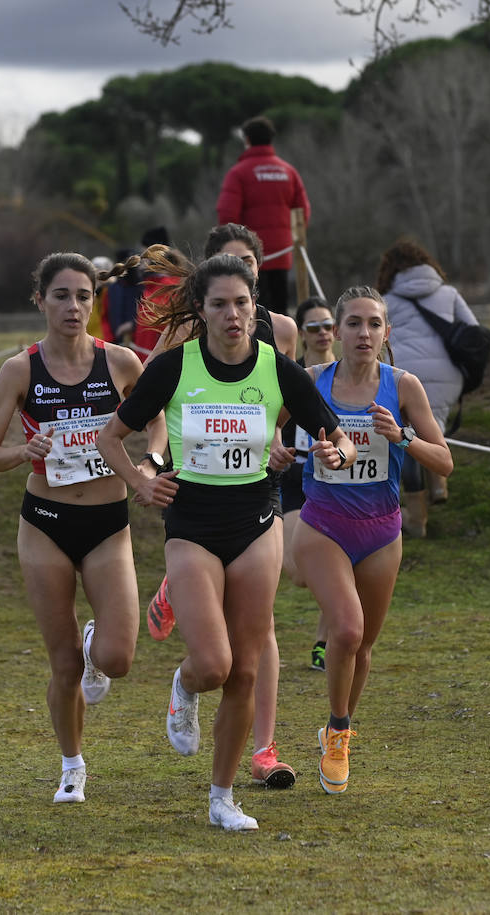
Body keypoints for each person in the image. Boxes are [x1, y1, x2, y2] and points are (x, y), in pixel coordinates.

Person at [95, 252, 353, 831]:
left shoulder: (277, 368)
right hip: (192, 526)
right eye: (219, 304)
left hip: (256, 523)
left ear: (254, 306)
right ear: (202, 309)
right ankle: (184, 685)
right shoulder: (173, 368)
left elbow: (341, 439)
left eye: (241, 303)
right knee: (213, 664)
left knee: (245, 670)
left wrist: (336, 453)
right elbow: (111, 438)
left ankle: (222, 799)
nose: (232, 315)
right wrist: (141, 481)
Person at [0, 252, 165, 804]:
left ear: (94, 301)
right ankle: (72, 766)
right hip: (46, 525)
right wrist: (23, 451)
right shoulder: (19, 370)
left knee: (116, 659)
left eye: (83, 296)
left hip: (107, 524)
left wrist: (150, 463)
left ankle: (93, 641)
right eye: (61, 295)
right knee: (63, 665)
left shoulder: (120, 362)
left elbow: (159, 420)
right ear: (41, 301)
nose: (73, 307)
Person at [143, 224, 302, 789]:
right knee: (217, 655)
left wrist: (278, 441)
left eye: (248, 268)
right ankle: (183, 586)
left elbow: (281, 403)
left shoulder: (281, 332)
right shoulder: (183, 337)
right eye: (227, 268)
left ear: (257, 279)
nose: (234, 302)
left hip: (258, 488)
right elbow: (155, 403)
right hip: (194, 494)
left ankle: (260, 750)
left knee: (258, 634)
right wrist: (154, 462)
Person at [292, 286, 452, 794]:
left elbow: (445, 461)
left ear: (386, 333)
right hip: (322, 525)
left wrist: (403, 437)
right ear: (336, 331)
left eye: (374, 324)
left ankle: (336, 730)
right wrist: (278, 448)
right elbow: (269, 428)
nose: (364, 333)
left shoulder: (402, 386)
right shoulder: (311, 380)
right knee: (345, 629)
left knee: (362, 647)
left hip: (382, 532)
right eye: (354, 323)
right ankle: (339, 733)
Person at [376, 238, 480, 536]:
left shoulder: (386, 301)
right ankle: (438, 484)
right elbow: (473, 331)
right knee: (433, 428)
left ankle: (417, 518)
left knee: (407, 437)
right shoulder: (449, 294)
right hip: (447, 375)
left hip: (405, 374)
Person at [284, 296, 337, 670]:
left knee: (338, 563)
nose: (323, 333)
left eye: (328, 326)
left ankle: (325, 642)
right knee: (300, 573)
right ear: (301, 333)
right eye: (314, 327)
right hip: (294, 479)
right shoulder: (291, 373)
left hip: (337, 480)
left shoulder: (349, 374)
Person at [216, 116, 310, 317]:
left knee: (255, 311)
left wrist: (230, 246)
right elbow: (303, 212)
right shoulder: (289, 171)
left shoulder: (238, 173)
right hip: (283, 253)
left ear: (247, 140)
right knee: (281, 311)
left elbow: (227, 215)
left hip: (249, 257)